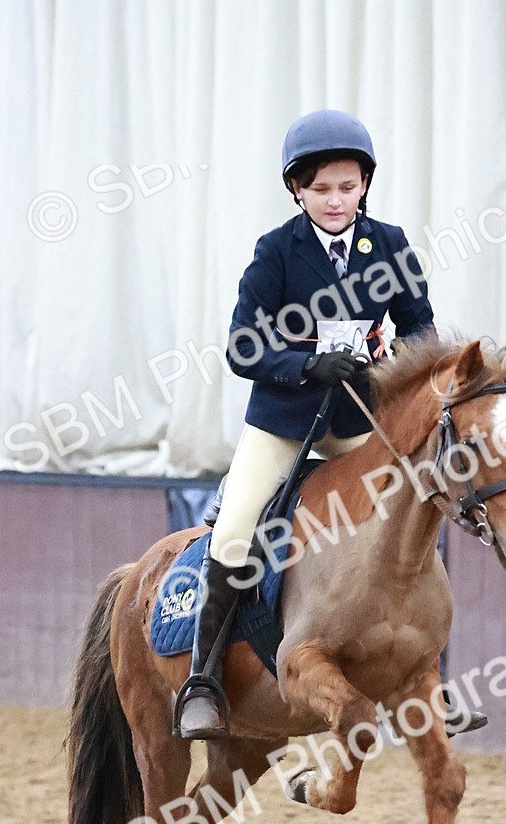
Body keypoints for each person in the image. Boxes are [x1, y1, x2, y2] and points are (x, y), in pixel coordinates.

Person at [174, 109, 437, 739]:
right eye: (321, 189)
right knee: (235, 529)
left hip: (356, 415)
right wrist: (304, 364)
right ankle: (203, 681)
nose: (336, 200)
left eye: (348, 187)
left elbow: (422, 330)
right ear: (297, 189)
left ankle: (426, 674)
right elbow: (242, 347)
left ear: (365, 185)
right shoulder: (276, 251)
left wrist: (391, 358)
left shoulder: (391, 244)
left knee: (421, 506)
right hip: (287, 418)